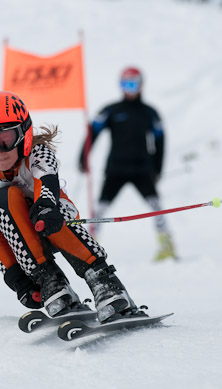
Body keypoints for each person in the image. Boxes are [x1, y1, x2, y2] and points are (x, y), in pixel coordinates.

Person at [0, 91, 147, 322]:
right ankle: (51, 281)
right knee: (3, 200)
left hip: (57, 223)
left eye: (5, 139)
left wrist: (46, 209)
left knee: (47, 210)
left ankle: (102, 279)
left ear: (24, 134)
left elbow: (47, 189)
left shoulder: (38, 154)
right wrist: (17, 280)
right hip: (23, 241)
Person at [79, 67, 177, 261]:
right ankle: (87, 248)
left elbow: (160, 140)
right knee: (100, 209)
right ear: (120, 86)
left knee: (157, 206)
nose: (130, 89)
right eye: (126, 84)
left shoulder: (150, 113)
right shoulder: (111, 110)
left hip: (143, 169)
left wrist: (157, 168)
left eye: (134, 84)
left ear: (141, 85)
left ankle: (167, 246)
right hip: (116, 169)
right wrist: (83, 158)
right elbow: (93, 132)